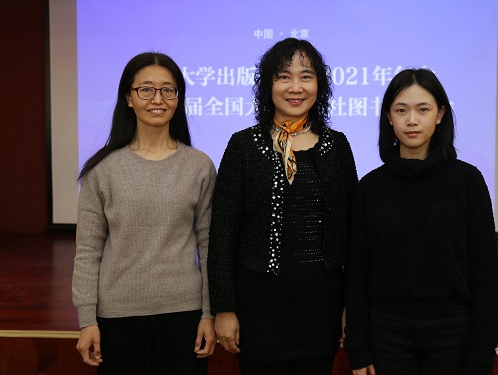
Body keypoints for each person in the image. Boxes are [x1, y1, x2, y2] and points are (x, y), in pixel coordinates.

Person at [207, 38, 358, 375]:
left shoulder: (337, 146)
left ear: (319, 85)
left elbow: (354, 236)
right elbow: (222, 235)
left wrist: (352, 306)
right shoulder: (243, 145)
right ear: (268, 85)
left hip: (321, 307)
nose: (295, 87)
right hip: (258, 308)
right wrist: (224, 308)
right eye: (283, 76)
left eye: (306, 76)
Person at [344, 68, 498, 375]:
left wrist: (482, 354)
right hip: (387, 332)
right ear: (388, 117)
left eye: (423, 110)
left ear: (440, 114)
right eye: (401, 110)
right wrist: (357, 347)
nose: (412, 120)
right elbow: (358, 273)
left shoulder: (468, 182)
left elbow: (485, 273)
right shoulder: (371, 187)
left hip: (453, 331)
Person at [72, 52, 217, 375]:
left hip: (185, 314)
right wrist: (87, 319)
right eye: (146, 89)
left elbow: (209, 245)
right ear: (129, 97)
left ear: (178, 98)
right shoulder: (103, 170)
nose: (158, 99)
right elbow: (88, 250)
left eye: (168, 90)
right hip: (118, 316)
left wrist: (209, 313)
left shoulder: (199, 166)